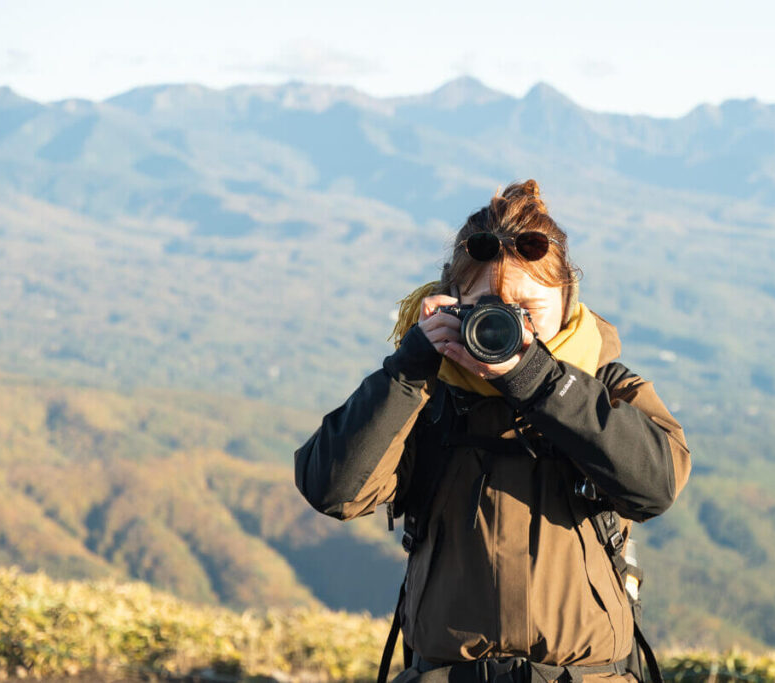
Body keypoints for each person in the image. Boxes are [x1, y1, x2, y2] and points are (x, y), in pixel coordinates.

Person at [294, 179, 692, 683]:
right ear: (452, 302)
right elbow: (332, 490)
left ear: (567, 301)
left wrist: (540, 380)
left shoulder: (607, 388)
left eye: (529, 311)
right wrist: (409, 368)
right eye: (488, 306)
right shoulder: (425, 397)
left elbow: (655, 486)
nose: (508, 324)